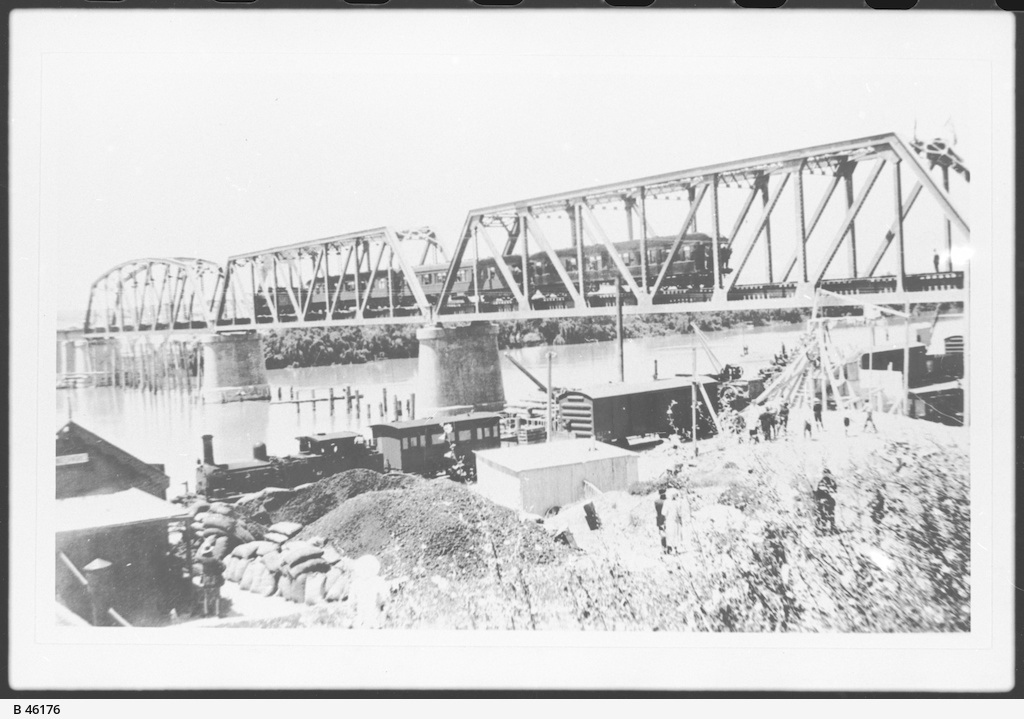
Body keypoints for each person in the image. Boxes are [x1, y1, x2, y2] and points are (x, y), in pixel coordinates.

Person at [350, 555, 389, 629]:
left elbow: (384, 599)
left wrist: (383, 614)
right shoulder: (356, 583)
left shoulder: (378, 581)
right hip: (362, 616)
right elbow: (352, 601)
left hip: (374, 614)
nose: (365, 571)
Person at [197, 548, 226, 618]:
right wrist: (219, 571)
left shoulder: (202, 559)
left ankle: (206, 613)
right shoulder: (215, 559)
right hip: (215, 579)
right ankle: (218, 613)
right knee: (217, 596)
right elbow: (224, 566)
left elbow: (197, 560)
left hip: (206, 580)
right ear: (210, 552)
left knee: (206, 597)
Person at [654, 489, 668, 554]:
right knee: (668, 533)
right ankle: (668, 547)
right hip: (666, 518)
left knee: (662, 534)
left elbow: (657, 510)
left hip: (659, 519)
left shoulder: (656, 502)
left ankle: (664, 548)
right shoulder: (667, 501)